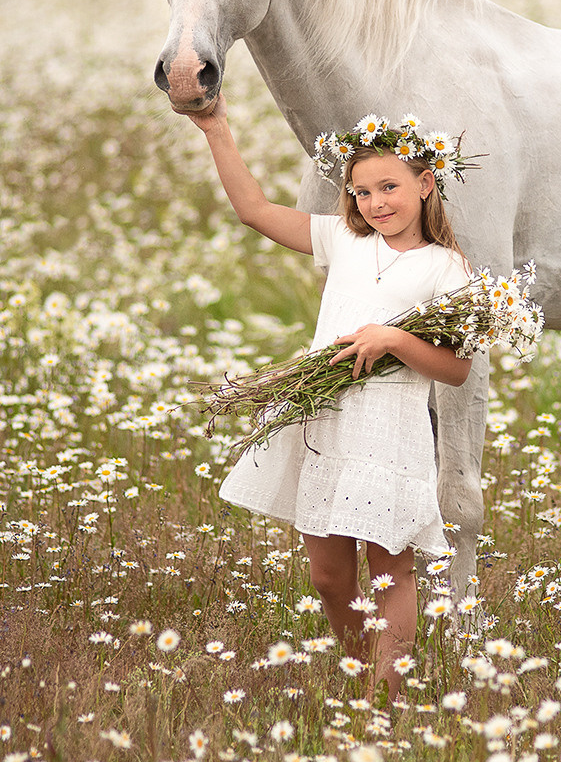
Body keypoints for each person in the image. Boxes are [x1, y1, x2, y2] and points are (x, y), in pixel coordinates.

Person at [186, 99, 472, 699]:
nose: (376, 203)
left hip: (389, 431)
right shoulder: (343, 238)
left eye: (389, 187)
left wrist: (395, 338)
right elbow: (253, 210)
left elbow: (456, 370)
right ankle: (365, 670)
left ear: (425, 184)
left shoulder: (446, 269)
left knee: (390, 571)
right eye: (362, 192)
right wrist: (216, 129)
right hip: (323, 422)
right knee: (328, 576)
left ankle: (385, 700)